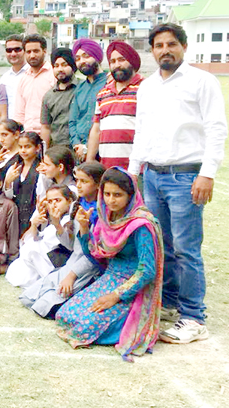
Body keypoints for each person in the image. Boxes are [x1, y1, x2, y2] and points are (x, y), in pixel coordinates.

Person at [129, 23, 227, 344]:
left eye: (171, 44)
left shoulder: (202, 81)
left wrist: (207, 173)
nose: (165, 50)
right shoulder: (147, 86)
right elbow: (141, 131)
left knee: (186, 249)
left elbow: (215, 128)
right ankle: (169, 304)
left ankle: (193, 316)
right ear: (152, 50)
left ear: (184, 46)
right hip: (153, 176)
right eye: (158, 45)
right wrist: (134, 172)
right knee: (163, 246)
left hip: (186, 177)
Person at [56, 168, 163, 361]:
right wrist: (85, 229)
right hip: (110, 278)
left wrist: (116, 296)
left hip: (133, 287)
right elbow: (95, 254)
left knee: (85, 327)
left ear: (131, 196)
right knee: (65, 315)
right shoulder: (107, 216)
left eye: (118, 195)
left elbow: (147, 270)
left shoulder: (141, 224)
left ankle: (128, 322)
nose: (111, 200)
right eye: (107, 194)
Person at [19, 162, 106, 318]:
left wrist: (72, 276)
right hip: (72, 262)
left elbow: (94, 254)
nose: (78, 185)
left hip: (89, 268)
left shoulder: (103, 213)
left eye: (84, 181)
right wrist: (57, 223)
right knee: (28, 298)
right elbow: (72, 246)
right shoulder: (76, 205)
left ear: (98, 184)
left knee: (44, 308)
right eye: (77, 180)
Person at [86, 41, 143, 169]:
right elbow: (96, 130)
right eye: (112, 61)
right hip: (108, 168)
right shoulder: (102, 93)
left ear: (132, 61)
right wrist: (89, 162)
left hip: (138, 170)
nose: (117, 65)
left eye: (122, 60)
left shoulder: (146, 88)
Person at [6, 185, 76, 289]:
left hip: (59, 260)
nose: (54, 205)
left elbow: (65, 244)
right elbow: (34, 239)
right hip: (43, 259)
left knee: (31, 250)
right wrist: (34, 225)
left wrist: (57, 225)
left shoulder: (69, 221)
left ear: (69, 201)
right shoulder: (52, 219)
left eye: (58, 200)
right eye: (50, 201)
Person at [70, 39, 107, 161]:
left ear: (97, 57)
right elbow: (72, 121)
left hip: (102, 151)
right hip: (79, 153)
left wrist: (88, 148)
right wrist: (77, 145)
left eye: (86, 56)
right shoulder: (80, 88)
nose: (82, 61)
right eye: (78, 58)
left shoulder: (110, 83)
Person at [15, 34, 55, 134]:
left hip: (50, 134)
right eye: (28, 52)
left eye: (36, 51)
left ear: (44, 51)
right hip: (28, 137)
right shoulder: (23, 78)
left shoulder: (54, 74)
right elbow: (19, 113)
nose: (32, 55)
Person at [40, 48, 78, 148]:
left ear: (73, 66)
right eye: (56, 66)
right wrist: (45, 153)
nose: (60, 69)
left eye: (64, 65)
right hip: (57, 150)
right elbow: (45, 127)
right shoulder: (49, 96)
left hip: (79, 148)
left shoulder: (83, 89)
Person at [0, 35, 29, 119]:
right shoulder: (4, 79)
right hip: (10, 128)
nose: (13, 54)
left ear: (24, 51)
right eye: (9, 50)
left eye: (17, 49)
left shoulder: (32, 74)